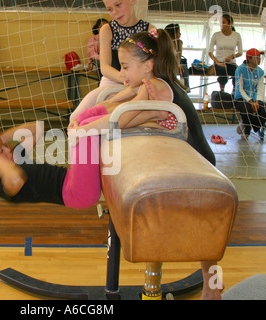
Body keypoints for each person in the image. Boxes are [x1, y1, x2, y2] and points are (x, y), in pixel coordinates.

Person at [72, 29, 221, 300]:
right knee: (202, 229)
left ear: (148, 65)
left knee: (205, 230)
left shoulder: (159, 87)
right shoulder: (149, 84)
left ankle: (213, 285)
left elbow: (122, 120)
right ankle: (204, 281)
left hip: (199, 160)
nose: (122, 73)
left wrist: (86, 128)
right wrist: (84, 117)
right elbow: (118, 106)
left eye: (126, 67)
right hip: (182, 158)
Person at [0, 120, 101, 210]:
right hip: (78, 192)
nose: (8, 150)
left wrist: (1, 139)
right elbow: (16, 179)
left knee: (86, 119)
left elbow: (37, 127)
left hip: (75, 179)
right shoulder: (0, 186)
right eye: (1, 151)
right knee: (84, 129)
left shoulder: (14, 156)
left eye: (4, 147)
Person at [69, 0, 155, 125]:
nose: (115, 12)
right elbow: (104, 67)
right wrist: (125, 79)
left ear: (132, 1)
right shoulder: (107, 29)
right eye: (110, 9)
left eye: (118, 5)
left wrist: (135, 82)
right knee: (75, 117)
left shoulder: (149, 30)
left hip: (139, 84)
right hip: (112, 81)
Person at [234, 48, 266, 140]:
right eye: (256, 57)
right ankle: (247, 131)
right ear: (249, 58)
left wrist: (257, 101)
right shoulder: (240, 70)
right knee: (246, 110)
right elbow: (240, 89)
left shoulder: (260, 72)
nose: (259, 59)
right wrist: (250, 101)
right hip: (241, 97)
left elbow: (260, 88)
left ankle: (246, 124)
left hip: (255, 98)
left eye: (259, 57)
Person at [208, 13, 243, 93]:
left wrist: (232, 56)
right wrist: (217, 62)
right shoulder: (216, 35)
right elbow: (210, 52)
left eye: (224, 22)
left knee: (237, 72)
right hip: (219, 62)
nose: (221, 25)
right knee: (223, 70)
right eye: (220, 23)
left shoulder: (236, 35)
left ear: (230, 24)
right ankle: (222, 91)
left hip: (231, 63)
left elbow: (240, 52)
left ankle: (234, 92)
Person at [165, 23, 190, 91]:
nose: (179, 34)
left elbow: (179, 55)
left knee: (183, 67)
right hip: (166, 62)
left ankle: (186, 88)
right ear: (174, 33)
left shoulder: (179, 42)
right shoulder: (165, 42)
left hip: (175, 63)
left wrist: (178, 64)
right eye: (179, 32)